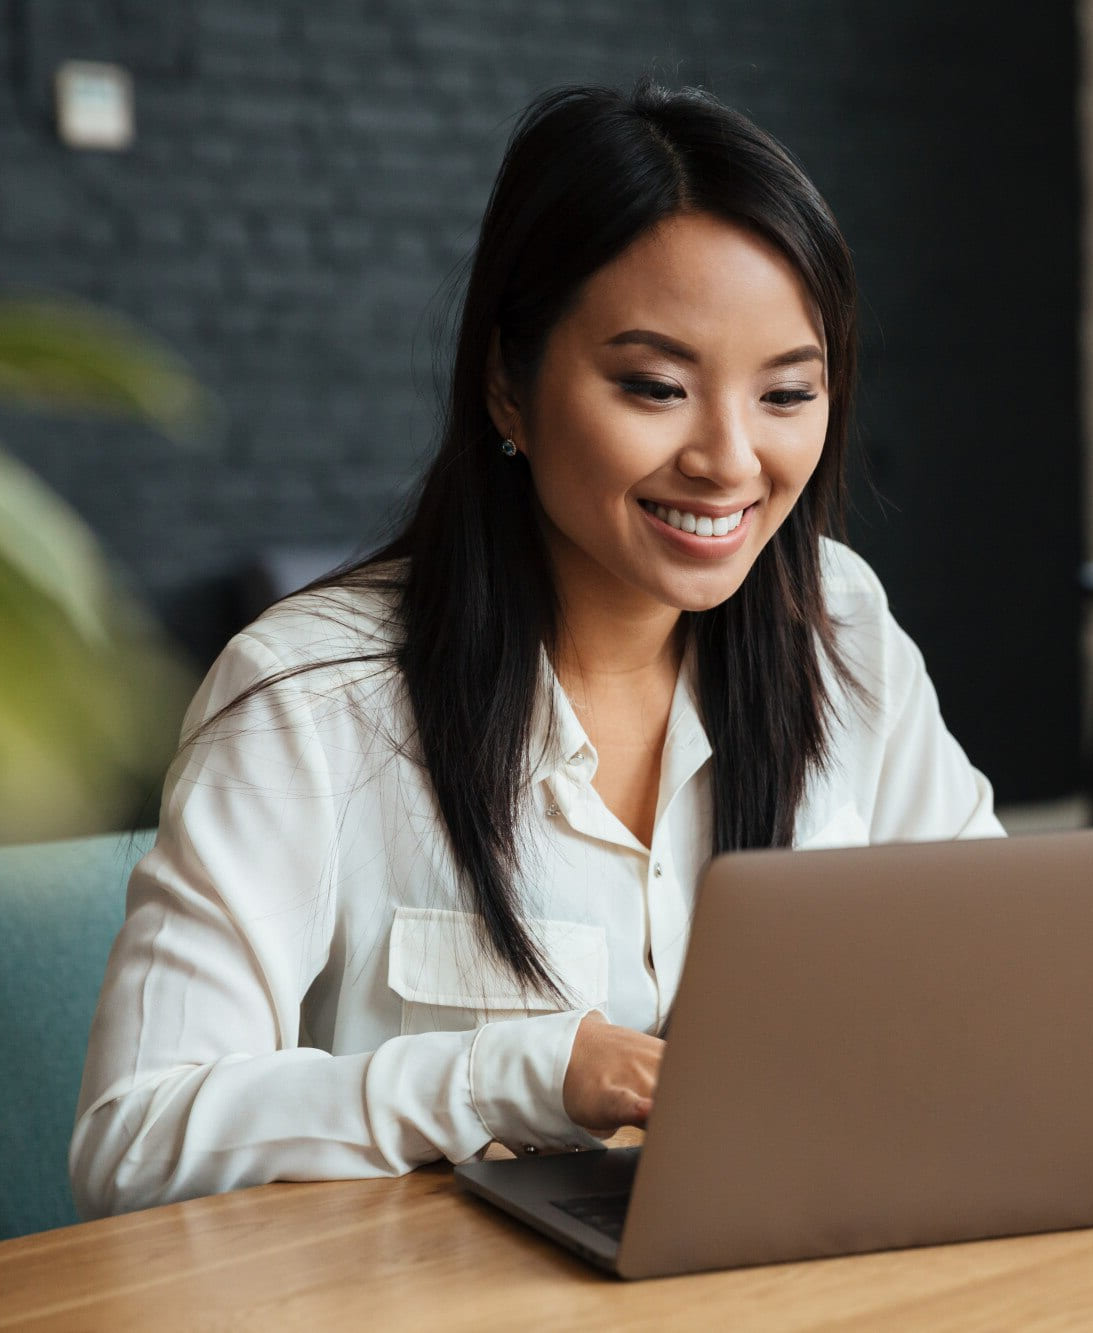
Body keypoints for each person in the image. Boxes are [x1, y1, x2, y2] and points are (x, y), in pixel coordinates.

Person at [70, 82, 1002, 1218]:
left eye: (787, 393)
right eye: (655, 386)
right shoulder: (310, 699)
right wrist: (523, 1075)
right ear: (508, 384)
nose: (728, 458)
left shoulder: (835, 625)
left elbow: (993, 974)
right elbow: (132, 1142)